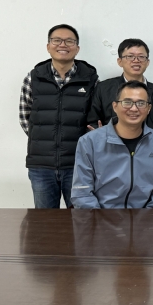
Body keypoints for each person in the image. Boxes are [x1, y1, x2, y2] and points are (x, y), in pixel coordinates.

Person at [20, 24, 98, 209]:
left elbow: (95, 118)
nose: (63, 45)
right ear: (48, 46)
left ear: (77, 48)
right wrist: (44, 139)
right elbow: (25, 117)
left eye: (69, 41)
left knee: (81, 218)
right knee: (45, 221)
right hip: (41, 165)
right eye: (57, 40)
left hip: (78, 165)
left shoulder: (90, 79)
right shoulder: (33, 78)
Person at [71, 81, 153, 209]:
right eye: (127, 102)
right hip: (102, 217)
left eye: (141, 103)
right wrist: (99, 219)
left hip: (146, 217)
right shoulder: (89, 141)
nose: (134, 109)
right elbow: (82, 191)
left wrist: (148, 216)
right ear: (115, 106)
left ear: (149, 109)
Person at [88, 38, 153, 130]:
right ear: (120, 61)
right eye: (130, 56)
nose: (136, 60)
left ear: (147, 62)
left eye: (141, 56)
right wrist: (98, 134)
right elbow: (92, 122)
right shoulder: (103, 89)